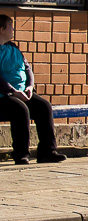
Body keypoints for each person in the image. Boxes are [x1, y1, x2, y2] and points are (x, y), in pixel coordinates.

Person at [0, 14, 65, 165]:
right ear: (1, 29)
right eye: (10, 26)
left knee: (44, 106)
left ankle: (47, 152)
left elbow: (27, 68)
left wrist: (30, 86)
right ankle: (21, 154)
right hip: (4, 95)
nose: (13, 30)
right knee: (20, 109)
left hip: (22, 91)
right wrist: (12, 91)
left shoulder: (13, 47)